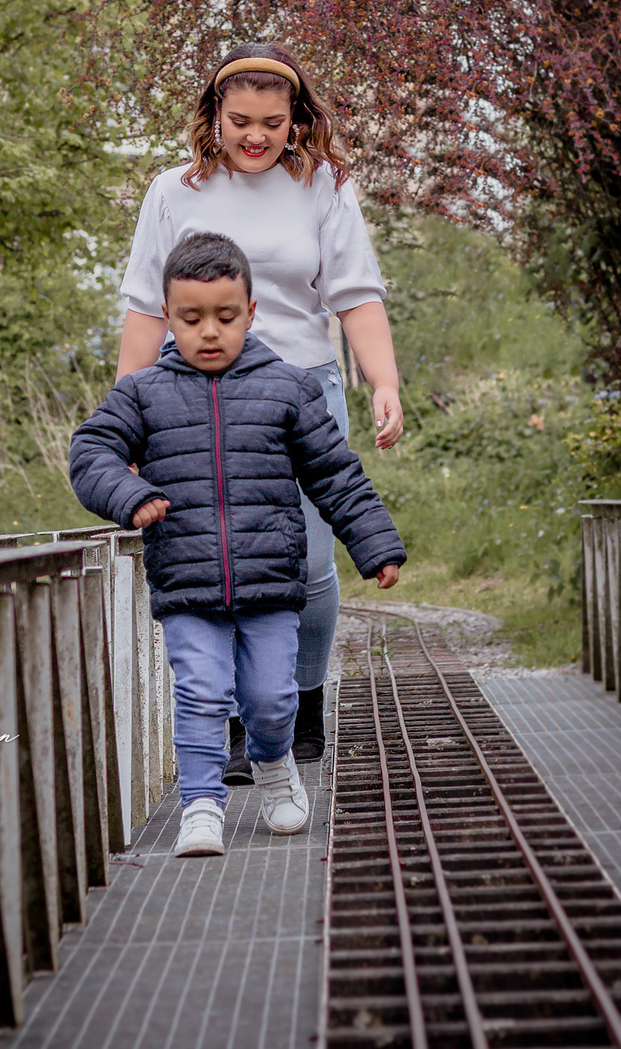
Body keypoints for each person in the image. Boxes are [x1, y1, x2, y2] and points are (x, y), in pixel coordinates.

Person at [116, 43, 404, 774]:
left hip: (299, 390)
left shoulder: (323, 185)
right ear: (213, 116)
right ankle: (239, 721)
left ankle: (299, 704)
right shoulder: (172, 192)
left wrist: (384, 381)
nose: (255, 137)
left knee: (304, 563)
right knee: (216, 556)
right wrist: (127, 418)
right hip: (191, 396)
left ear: (294, 120)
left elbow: (355, 293)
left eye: (272, 123)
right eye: (240, 120)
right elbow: (146, 308)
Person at [70, 232, 405, 856]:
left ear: (251, 313)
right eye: (191, 318)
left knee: (271, 697)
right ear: (168, 317)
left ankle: (275, 765)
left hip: (273, 583)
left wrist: (375, 544)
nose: (209, 331)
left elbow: (335, 475)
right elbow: (91, 451)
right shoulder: (143, 394)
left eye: (225, 316)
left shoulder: (287, 389)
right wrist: (128, 496)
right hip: (188, 581)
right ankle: (201, 803)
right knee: (200, 690)